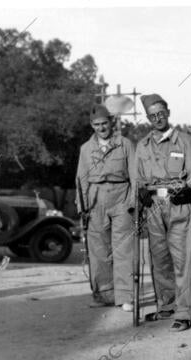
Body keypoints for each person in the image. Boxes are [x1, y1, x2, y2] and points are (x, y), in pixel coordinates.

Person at [134, 93, 191, 332]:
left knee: (183, 260)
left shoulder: (184, 140)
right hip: (154, 205)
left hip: (178, 204)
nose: (157, 118)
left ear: (168, 113)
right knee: (159, 259)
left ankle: (184, 312)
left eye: (161, 113)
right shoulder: (142, 145)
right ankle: (166, 305)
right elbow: (138, 178)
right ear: (148, 118)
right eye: (152, 115)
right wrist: (140, 195)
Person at [75, 104, 136, 312]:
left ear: (112, 122)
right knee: (99, 252)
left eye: (104, 123)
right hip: (95, 200)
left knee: (122, 250)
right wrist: (81, 207)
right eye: (96, 125)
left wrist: (133, 202)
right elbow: (81, 179)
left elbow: (135, 175)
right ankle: (104, 295)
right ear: (92, 126)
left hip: (121, 197)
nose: (101, 128)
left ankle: (125, 296)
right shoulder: (85, 149)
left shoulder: (125, 144)